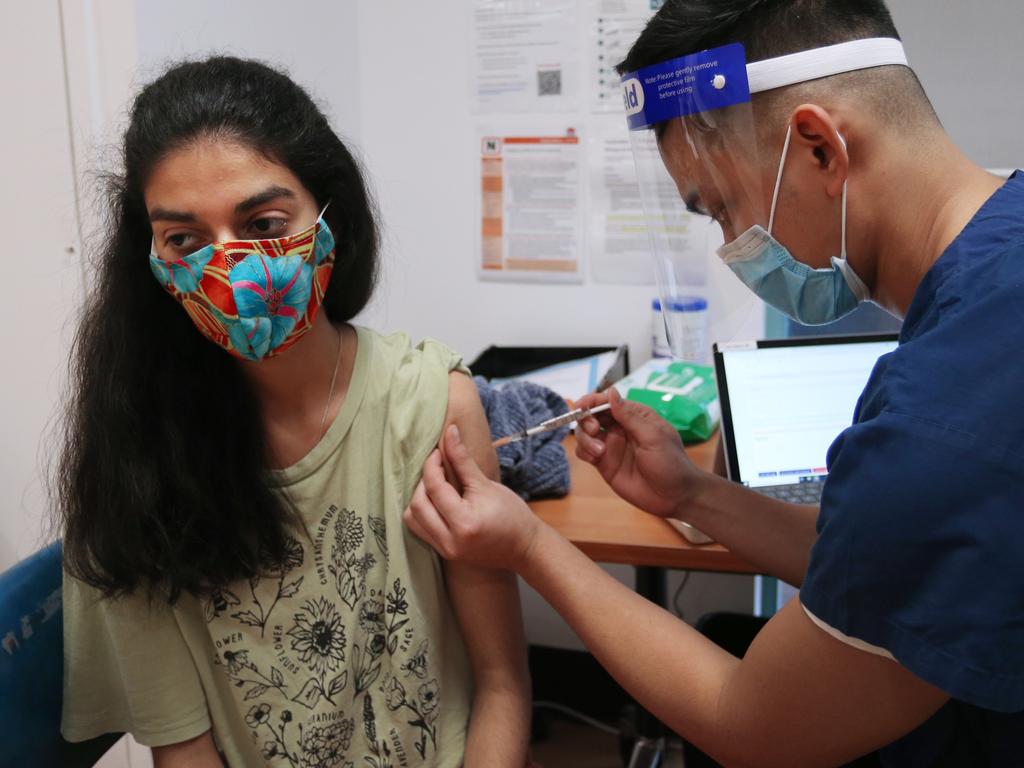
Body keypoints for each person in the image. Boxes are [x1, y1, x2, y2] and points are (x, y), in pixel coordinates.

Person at [404, 1, 1024, 766]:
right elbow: (880, 561)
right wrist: (692, 497)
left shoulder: (946, 413)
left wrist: (528, 545)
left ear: (819, 149)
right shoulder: (1005, 259)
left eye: (725, 209)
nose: (736, 246)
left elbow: (753, 725)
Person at [57, 57, 530, 767]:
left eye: (264, 222)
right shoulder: (134, 466)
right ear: (150, 258)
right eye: (184, 239)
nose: (233, 267)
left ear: (328, 218)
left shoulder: (431, 404)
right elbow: (184, 753)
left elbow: (501, 685)